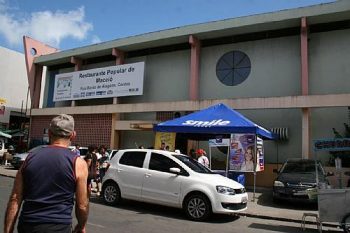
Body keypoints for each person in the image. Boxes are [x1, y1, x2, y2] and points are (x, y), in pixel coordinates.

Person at [4, 114, 89, 233]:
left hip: (28, 225)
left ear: (49, 133)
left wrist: (8, 230)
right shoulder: (78, 164)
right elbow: (82, 205)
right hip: (58, 227)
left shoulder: (30, 158)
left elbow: (15, 198)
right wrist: (81, 226)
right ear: (73, 135)